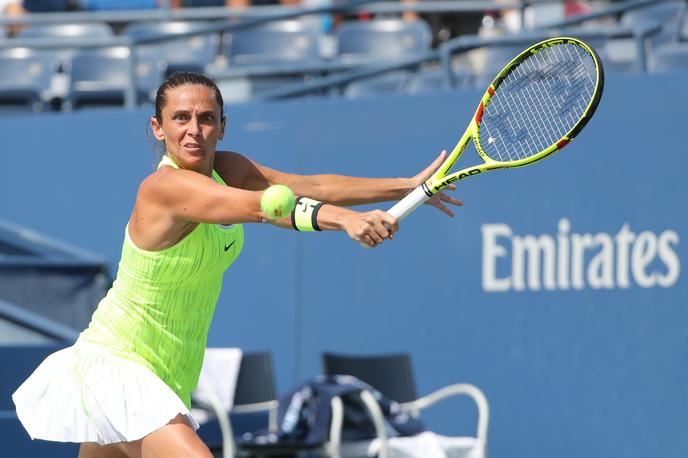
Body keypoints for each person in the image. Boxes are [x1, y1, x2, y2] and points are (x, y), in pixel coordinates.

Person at [12, 71, 461, 457]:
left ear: (223, 127)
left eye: (206, 118)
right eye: (180, 118)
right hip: (116, 365)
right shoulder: (164, 188)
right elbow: (262, 207)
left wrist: (405, 185)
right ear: (157, 128)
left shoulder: (230, 167)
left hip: (166, 372)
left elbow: (311, 185)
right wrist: (345, 221)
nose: (194, 130)